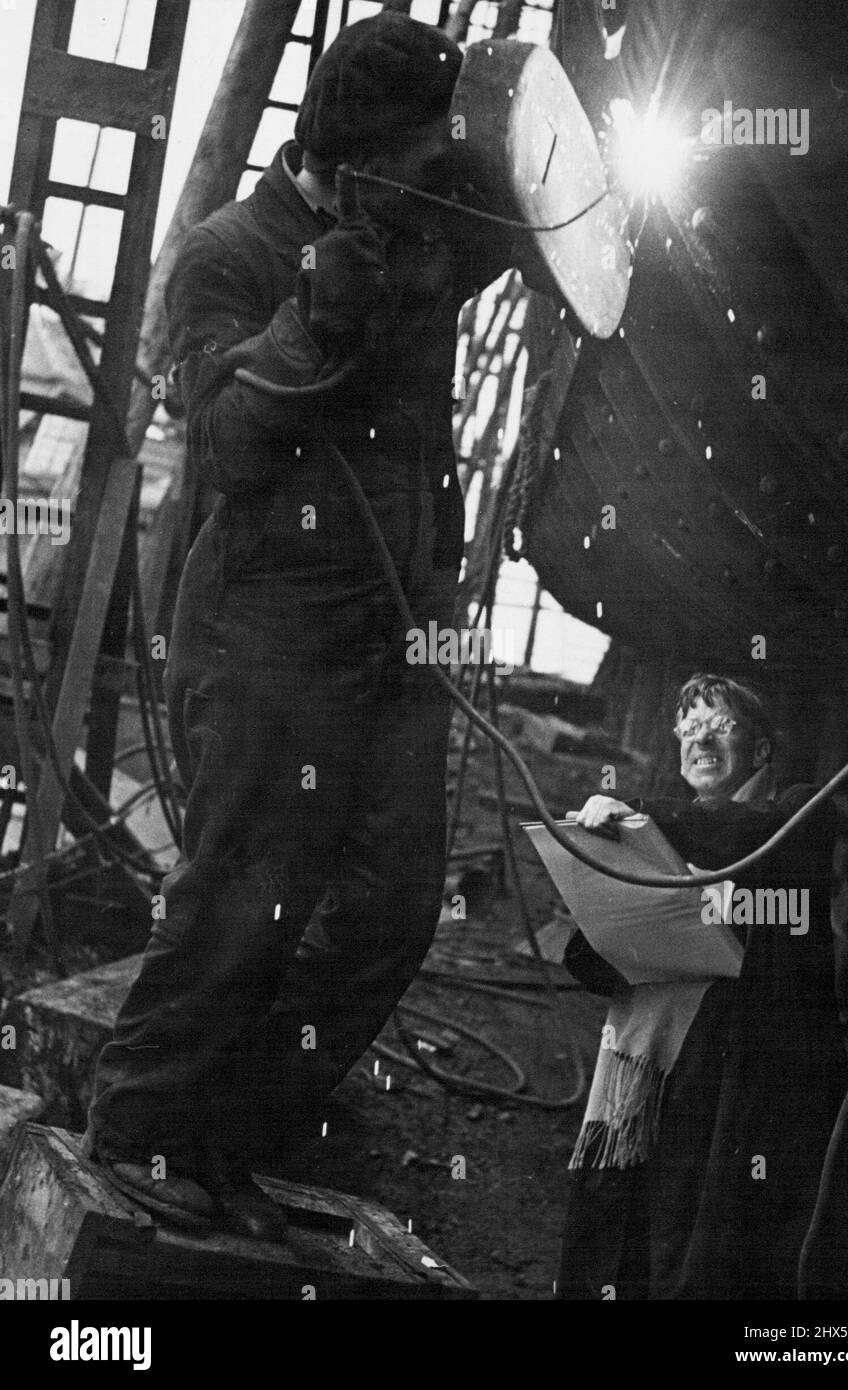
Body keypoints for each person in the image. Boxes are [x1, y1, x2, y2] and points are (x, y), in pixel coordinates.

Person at [84, 12, 521, 1242]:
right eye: (421, 152)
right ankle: (136, 1120)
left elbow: (544, 221)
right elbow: (220, 443)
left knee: (387, 912)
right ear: (357, 151)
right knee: (245, 893)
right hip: (267, 624)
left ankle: (230, 1135)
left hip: (398, 630)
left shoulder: (427, 220)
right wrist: (314, 313)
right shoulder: (230, 252)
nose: (439, 172)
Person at [556, 672, 848, 1299]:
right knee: (629, 1225)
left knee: (714, 1246)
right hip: (648, 1063)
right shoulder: (668, 834)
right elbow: (591, 959)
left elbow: (739, 841)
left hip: (745, 1082)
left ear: (762, 749)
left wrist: (640, 819)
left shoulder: (796, 814)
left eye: (720, 725)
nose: (700, 739)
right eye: (689, 727)